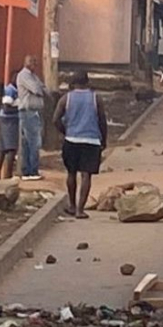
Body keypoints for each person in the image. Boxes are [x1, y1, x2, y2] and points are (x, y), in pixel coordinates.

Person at [53, 70, 108, 219]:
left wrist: (66, 131)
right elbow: (102, 120)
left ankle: (72, 205)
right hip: (91, 141)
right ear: (88, 82)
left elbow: (55, 119)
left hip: (71, 140)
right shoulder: (96, 98)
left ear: (72, 83)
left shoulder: (66, 99)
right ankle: (80, 210)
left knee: (71, 173)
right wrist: (103, 139)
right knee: (86, 175)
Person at [17, 54, 46, 181]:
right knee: (33, 142)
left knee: (29, 143)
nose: (35, 64)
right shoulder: (24, 75)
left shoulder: (33, 76)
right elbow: (37, 89)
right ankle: (31, 171)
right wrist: (40, 88)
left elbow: (44, 87)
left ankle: (28, 171)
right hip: (28, 111)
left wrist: (41, 87)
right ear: (27, 63)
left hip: (33, 112)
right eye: (33, 62)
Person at [0, 73, 20, 179]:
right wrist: (20, 109)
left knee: (3, 149)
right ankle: (7, 176)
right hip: (8, 120)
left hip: (8, 120)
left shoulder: (15, 90)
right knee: (11, 149)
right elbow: (6, 108)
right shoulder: (11, 90)